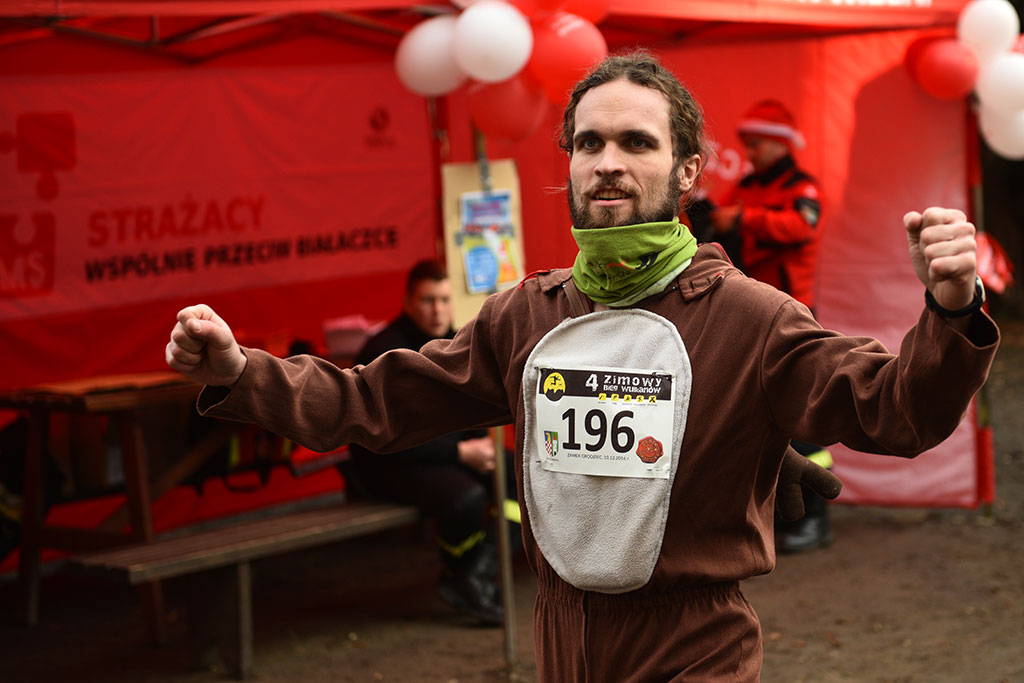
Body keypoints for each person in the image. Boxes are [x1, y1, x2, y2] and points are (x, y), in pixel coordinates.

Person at [166, 52, 998, 682]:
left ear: (686, 171)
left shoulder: (753, 317)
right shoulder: (529, 314)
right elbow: (374, 402)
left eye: (638, 142)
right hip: (562, 640)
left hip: (694, 643)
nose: (609, 161)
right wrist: (241, 371)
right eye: (590, 141)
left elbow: (898, 411)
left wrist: (951, 310)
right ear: (565, 164)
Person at [345, 259, 504, 626]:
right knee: (467, 498)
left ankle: (471, 576)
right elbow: (384, 438)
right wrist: (461, 452)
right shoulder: (386, 352)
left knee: (520, 480)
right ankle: (466, 576)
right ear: (408, 302)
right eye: (429, 300)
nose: (438, 310)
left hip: (446, 459)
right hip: (386, 466)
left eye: (444, 300)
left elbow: (473, 405)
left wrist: (479, 444)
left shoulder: (454, 341)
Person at [710, 99, 834, 552]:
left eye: (756, 144)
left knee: (800, 421)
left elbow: (801, 226)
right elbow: (717, 234)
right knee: (753, 420)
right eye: (746, 144)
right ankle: (777, 518)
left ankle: (815, 520)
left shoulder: (804, 188)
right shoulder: (745, 186)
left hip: (793, 318)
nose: (750, 152)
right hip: (750, 317)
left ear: (780, 144)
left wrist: (743, 219)